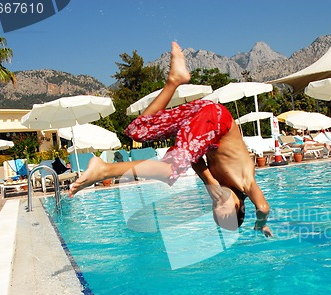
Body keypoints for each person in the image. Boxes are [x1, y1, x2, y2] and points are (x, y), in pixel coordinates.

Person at [69, 42, 272, 237]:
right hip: (217, 120)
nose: (217, 202)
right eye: (223, 206)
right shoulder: (246, 181)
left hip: (205, 114)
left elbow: (194, 158)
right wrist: (260, 224)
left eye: (214, 207)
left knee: (139, 130)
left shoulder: (217, 183)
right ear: (239, 204)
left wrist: (209, 180)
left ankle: (174, 80)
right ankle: (105, 169)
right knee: (169, 172)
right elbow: (263, 207)